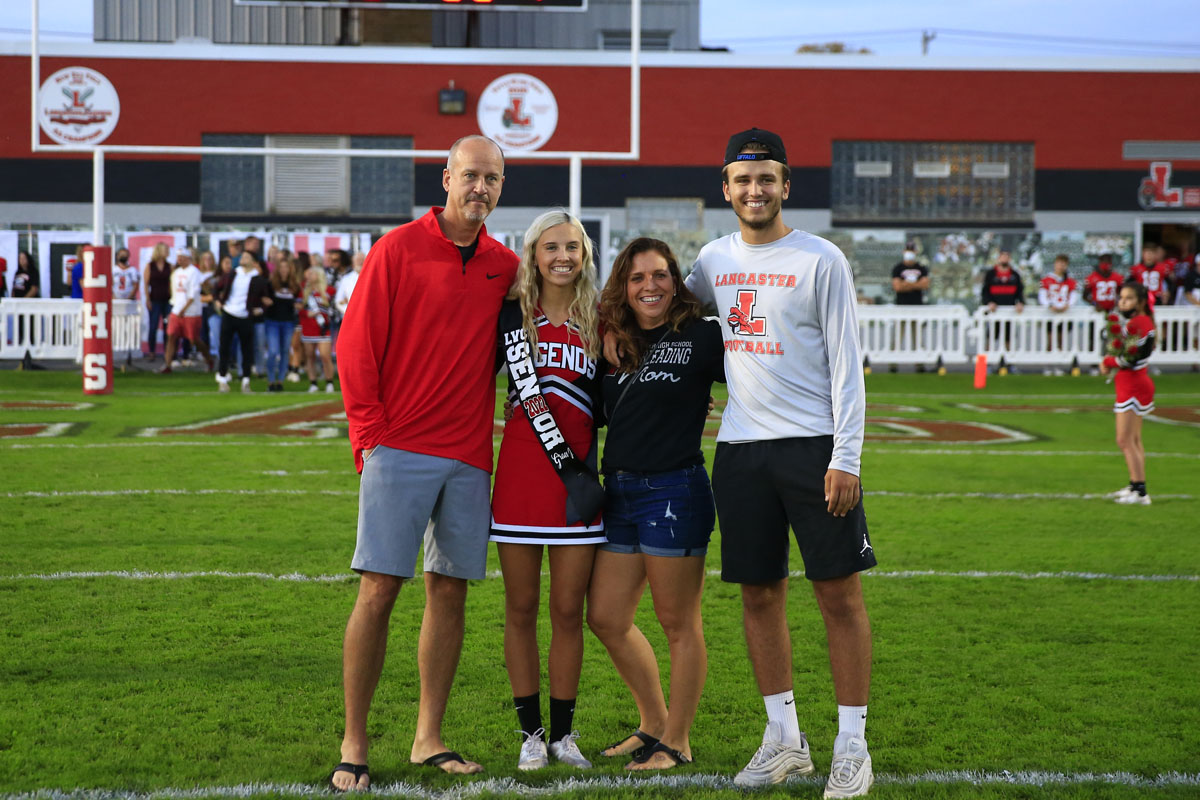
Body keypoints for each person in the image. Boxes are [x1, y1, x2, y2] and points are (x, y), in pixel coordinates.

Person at [682, 128, 876, 798]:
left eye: (766, 179)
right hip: (739, 451)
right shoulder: (711, 260)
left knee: (838, 595)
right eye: (742, 179)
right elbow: (664, 311)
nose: (754, 190)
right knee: (759, 594)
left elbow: (849, 365)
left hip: (815, 449)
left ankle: (853, 745)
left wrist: (845, 455)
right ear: (726, 188)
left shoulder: (820, 259)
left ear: (785, 186)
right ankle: (784, 739)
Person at [332, 135, 518, 790]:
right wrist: (370, 439)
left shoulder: (504, 265)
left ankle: (427, 737)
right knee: (379, 589)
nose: (481, 188)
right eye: (470, 176)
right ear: (446, 179)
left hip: (469, 456)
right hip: (399, 449)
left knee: (449, 591)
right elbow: (354, 348)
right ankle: (354, 743)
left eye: (492, 178)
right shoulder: (397, 250)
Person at [587, 237, 725, 772]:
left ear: (677, 281)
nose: (650, 286)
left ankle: (679, 741)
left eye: (661, 276)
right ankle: (652, 722)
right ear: (624, 284)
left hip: (675, 489)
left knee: (678, 622)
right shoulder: (613, 340)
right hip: (618, 491)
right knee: (606, 616)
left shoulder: (701, 336)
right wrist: (605, 332)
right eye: (638, 277)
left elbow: (758, 374)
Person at [490, 210, 604, 772]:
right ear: (534, 253)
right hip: (519, 479)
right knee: (521, 606)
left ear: (584, 255)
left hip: (575, 484)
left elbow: (630, 387)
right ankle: (530, 733)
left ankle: (563, 734)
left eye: (573, 248)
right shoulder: (513, 316)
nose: (563, 257)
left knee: (567, 610)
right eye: (551, 247)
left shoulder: (601, 318)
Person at [1101, 282, 1156, 505]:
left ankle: (1140, 492)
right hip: (1131, 383)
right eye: (1121, 298)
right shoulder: (1138, 322)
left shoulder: (1140, 322)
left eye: (1128, 298)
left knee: (1124, 439)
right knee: (1133, 439)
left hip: (1133, 385)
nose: (1122, 302)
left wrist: (1108, 361)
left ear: (1140, 302)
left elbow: (1134, 358)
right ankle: (1136, 485)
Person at [213, 253, 265, 394]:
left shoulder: (258, 279)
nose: (243, 259)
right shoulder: (233, 274)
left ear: (254, 262)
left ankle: (246, 381)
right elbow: (216, 287)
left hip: (245, 316)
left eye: (247, 257)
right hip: (229, 313)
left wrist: (260, 309)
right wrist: (218, 300)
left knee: (247, 350)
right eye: (243, 257)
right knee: (224, 347)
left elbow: (266, 298)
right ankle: (222, 380)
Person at [161, 249, 212, 373]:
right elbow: (174, 292)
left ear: (188, 258)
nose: (179, 260)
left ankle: (209, 359)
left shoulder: (194, 272)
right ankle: (167, 365)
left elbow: (193, 294)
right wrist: (175, 308)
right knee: (171, 336)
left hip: (191, 311)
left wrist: (183, 309)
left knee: (194, 339)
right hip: (177, 310)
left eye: (182, 257)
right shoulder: (176, 273)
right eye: (178, 257)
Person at [263, 255, 302, 392]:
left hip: (288, 321)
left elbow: (299, 301)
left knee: (285, 351)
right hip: (273, 320)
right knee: (273, 351)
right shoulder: (271, 284)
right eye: (282, 267)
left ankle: (280, 381)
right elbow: (264, 298)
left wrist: (299, 305)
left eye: (287, 267)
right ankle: (271, 380)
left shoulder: (294, 285)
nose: (284, 270)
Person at [299, 266, 337, 394]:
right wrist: (306, 313)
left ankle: (329, 382)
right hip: (308, 327)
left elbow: (334, 307)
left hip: (322, 328)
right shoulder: (304, 290)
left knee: (325, 356)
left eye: (312, 273)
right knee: (309, 356)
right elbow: (298, 307)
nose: (309, 276)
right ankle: (313, 383)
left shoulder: (329, 290)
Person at [143, 243, 173, 360]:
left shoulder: (169, 266)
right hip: (154, 301)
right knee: (153, 325)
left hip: (167, 301)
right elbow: (145, 284)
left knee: (167, 325)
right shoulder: (150, 266)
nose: (167, 252)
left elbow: (172, 283)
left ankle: (167, 351)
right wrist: (147, 299)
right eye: (165, 250)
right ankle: (151, 351)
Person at [981, 248, 1025, 312]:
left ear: (1010, 259)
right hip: (993, 310)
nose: (1005, 258)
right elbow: (985, 291)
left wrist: (1020, 302)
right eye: (1003, 256)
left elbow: (1019, 292)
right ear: (998, 258)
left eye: (1007, 256)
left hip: (1010, 311)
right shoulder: (990, 274)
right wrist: (989, 302)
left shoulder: (1015, 275)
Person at [1129, 244, 1172, 308]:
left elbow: (1171, 283)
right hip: (1141, 298)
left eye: (1152, 253)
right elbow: (1129, 283)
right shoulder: (1136, 269)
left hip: (1157, 298)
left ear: (1155, 255)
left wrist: (1168, 292)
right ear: (1143, 254)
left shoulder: (1162, 268)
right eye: (1147, 253)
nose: (1149, 256)